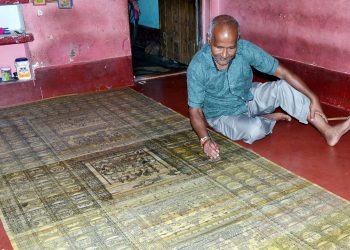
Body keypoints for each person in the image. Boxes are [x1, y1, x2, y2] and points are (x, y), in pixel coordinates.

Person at [187, 15, 350, 160]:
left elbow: (283, 73)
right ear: (209, 40)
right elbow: (195, 110)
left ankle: (328, 132)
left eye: (231, 48)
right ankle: (266, 119)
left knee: (283, 87)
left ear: (238, 40)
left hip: (247, 96)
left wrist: (313, 98)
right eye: (219, 47)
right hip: (222, 115)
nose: (224, 55)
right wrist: (205, 140)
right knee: (254, 130)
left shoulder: (245, 49)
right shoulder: (198, 66)